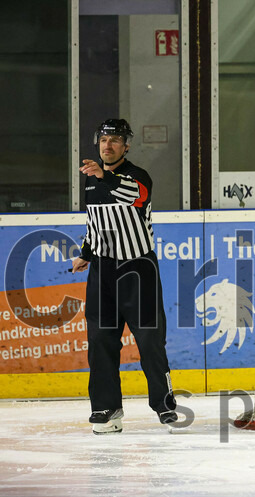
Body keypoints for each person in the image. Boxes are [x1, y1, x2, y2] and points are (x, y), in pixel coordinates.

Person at [70, 119, 176, 434]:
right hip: (102, 271)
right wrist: (86, 254)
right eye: (104, 139)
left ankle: (165, 406)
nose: (108, 145)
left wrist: (105, 176)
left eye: (115, 140)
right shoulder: (91, 181)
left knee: (150, 341)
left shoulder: (136, 176)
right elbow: (95, 223)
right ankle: (106, 408)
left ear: (126, 145)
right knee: (100, 341)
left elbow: (136, 196)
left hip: (137, 269)